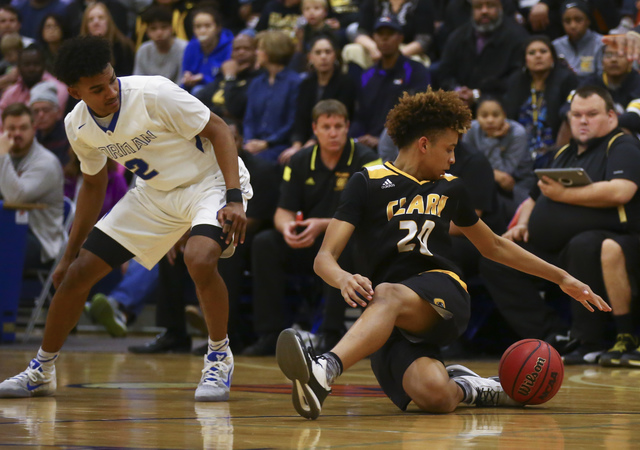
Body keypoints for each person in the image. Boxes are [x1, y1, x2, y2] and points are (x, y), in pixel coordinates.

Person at [275, 88, 610, 420]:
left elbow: (492, 245)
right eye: (449, 149)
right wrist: (344, 278)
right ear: (424, 144)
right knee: (435, 396)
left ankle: (325, 369)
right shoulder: (367, 182)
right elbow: (324, 259)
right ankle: (472, 387)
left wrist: (562, 277)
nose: (452, 158)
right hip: (387, 313)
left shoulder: (451, 186)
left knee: (388, 291)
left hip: (442, 292)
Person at [0, 36, 252, 401]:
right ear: (75, 92)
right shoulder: (77, 126)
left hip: (209, 181)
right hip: (154, 194)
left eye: (112, 80)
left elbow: (219, 130)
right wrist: (69, 254)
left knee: (198, 258)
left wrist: (234, 199)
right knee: (76, 275)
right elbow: (92, 184)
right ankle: (42, 368)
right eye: (98, 89)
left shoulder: (154, 93)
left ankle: (218, 356)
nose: (111, 92)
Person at [481, 85, 640, 365]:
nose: (582, 120)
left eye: (592, 114)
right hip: (552, 247)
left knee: (584, 244)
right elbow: (533, 197)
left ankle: (587, 340)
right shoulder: (564, 151)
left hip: (605, 240)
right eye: (576, 115)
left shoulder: (621, 145)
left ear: (612, 116)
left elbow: (621, 191)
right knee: (498, 261)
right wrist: (523, 223)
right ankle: (554, 335)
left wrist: (564, 195)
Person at [244, 99, 381, 356]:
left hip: (348, 242)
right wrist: (287, 230)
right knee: (265, 243)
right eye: (326, 126)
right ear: (315, 129)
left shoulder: (368, 159)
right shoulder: (299, 160)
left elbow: (374, 214)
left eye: (338, 126)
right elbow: (282, 212)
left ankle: (330, 332)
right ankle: (269, 333)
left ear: (347, 127)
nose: (333, 132)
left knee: (338, 246)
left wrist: (323, 225)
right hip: (307, 240)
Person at [0, 102, 64, 272]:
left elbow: (15, 198)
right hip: (8, 229)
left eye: (23, 128)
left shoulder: (45, 163)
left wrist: (2, 155)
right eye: (11, 128)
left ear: (33, 128)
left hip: (38, 239)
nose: (16, 133)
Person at [350, 17, 430, 149]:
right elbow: (360, 117)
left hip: (402, 145)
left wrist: (383, 140)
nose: (384, 39)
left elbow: (418, 115)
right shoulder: (366, 75)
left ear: (400, 38)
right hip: (366, 145)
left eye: (390, 34)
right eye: (380, 34)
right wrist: (356, 140)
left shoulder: (416, 70)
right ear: (374, 38)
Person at [502, 36, 578, 165]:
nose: (538, 56)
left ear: (552, 56)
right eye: (531, 53)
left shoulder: (566, 80)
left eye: (543, 51)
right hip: (520, 151)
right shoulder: (515, 82)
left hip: (554, 150)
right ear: (525, 59)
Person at [436, 0, 528, 103]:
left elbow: (517, 78)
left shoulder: (517, 37)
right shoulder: (458, 37)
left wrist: (478, 94)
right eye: (478, 7)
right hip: (459, 104)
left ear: (500, 8)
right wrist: (457, 91)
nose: (484, 11)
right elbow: (445, 73)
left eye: (490, 6)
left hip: (500, 105)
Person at [284, 34, 356, 164]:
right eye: (318, 52)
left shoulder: (346, 83)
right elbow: (300, 118)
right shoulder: (305, 84)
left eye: (327, 52)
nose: (323, 57)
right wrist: (296, 144)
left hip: (334, 140)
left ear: (335, 55)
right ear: (310, 57)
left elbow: (339, 117)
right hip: (307, 141)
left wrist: (310, 143)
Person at [243, 29, 301, 162]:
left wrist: (267, 143)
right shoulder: (256, 83)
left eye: (260, 48)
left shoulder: (294, 82)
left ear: (272, 50)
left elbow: (292, 121)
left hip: (280, 146)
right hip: (253, 145)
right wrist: (250, 141)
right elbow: (249, 119)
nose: (256, 52)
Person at [195, 32, 260, 122]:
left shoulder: (258, 78)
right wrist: (221, 112)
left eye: (247, 48)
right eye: (237, 49)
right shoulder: (224, 74)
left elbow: (236, 110)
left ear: (255, 52)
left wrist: (230, 78)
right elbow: (198, 101)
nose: (241, 52)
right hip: (215, 121)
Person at [0, 44, 68, 124]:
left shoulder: (59, 89)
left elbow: (50, 121)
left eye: (36, 64)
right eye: (27, 65)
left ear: (44, 65)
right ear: (18, 67)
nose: (31, 69)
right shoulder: (10, 92)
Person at [180, 5, 234, 95]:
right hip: (194, 90)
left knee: (197, 90)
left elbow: (225, 80)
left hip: (219, 91)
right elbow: (186, 73)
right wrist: (187, 78)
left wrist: (203, 78)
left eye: (207, 26)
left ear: (218, 28)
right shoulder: (191, 46)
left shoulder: (230, 47)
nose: (202, 31)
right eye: (198, 27)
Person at [133, 4, 188, 85]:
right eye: (153, 28)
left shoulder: (184, 48)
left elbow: (182, 81)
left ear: (171, 28)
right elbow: (137, 81)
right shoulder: (143, 50)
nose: (159, 33)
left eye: (164, 27)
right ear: (147, 31)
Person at [551, 0, 604, 79]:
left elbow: (603, 77)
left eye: (578, 20)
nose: (573, 26)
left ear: (588, 21)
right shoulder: (556, 45)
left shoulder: (601, 43)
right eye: (567, 21)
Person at [80, 2, 135, 76]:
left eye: (101, 17)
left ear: (108, 21)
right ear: (86, 25)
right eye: (91, 19)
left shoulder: (124, 46)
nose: (96, 22)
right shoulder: (79, 51)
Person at [29, 80, 69, 166]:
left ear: (58, 113)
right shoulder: (31, 139)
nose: (41, 115)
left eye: (46, 110)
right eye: (36, 111)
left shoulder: (69, 138)